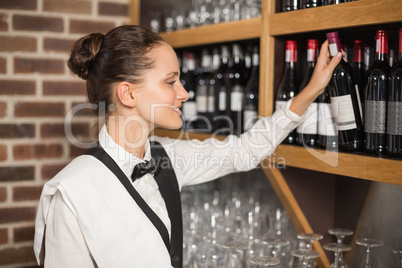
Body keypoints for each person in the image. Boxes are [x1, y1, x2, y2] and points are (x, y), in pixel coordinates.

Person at [33, 25, 342, 267]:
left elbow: (246, 150)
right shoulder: (72, 192)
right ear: (128, 94)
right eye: (171, 82)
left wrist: (312, 89)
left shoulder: (169, 157)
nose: (184, 93)